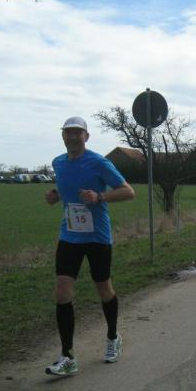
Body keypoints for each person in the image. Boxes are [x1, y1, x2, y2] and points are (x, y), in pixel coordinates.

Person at [44, 116, 135, 377]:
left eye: (77, 133)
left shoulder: (99, 162)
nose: (72, 137)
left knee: (103, 289)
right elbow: (66, 188)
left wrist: (100, 196)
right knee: (62, 291)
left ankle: (113, 337)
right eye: (68, 133)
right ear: (63, 136)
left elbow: (128, 191)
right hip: (69, 236)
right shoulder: (58, 163)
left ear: (86, 136)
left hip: (97, 237)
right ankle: (68, 356)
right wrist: (55, 195)